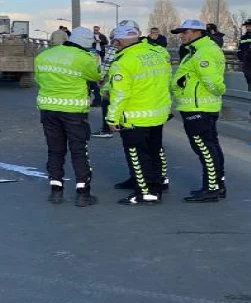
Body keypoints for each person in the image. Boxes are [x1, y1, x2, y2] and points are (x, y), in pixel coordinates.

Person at [106, 25, 172, 205]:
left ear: (119, 42)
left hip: (135, 116)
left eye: (115, 42)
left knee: (137, 155)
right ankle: (156, 185)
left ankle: (146, 192)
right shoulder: (156, 53)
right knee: (154, 152)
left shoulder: (124, 61)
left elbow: (120, 94)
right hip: (157, 113)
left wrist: (112, 118)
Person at [34, 27, 101, 207]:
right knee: (79, 150)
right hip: (73, 111)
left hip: (48, 108)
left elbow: (38, 80)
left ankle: (56, 191)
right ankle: (83, 193)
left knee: (55, 150)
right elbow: (96, 76)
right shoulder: (84, 58)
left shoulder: (44, 55)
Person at [170, 20, 227, 203]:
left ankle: (211, 189)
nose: (182, 36)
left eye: (185, 32)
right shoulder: (197, 49)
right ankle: (217, 186)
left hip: (198, 107)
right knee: (211, 146)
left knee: (204, 148)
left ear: (197, 32)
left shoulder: (203, 52)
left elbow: (212, 80)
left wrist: (218, 91)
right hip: (199, 106)